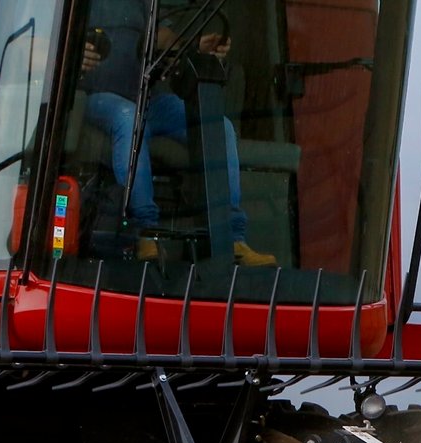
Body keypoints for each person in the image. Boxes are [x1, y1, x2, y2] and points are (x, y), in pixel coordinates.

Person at [80, 0, 275, 266]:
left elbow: (161, 36)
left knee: (218, 125)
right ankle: (144, 232)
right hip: (95, 96)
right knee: (128, 118)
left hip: (149, 98)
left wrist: (196, 46)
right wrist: (72, 55)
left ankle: (231, 237)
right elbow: (37, 44)